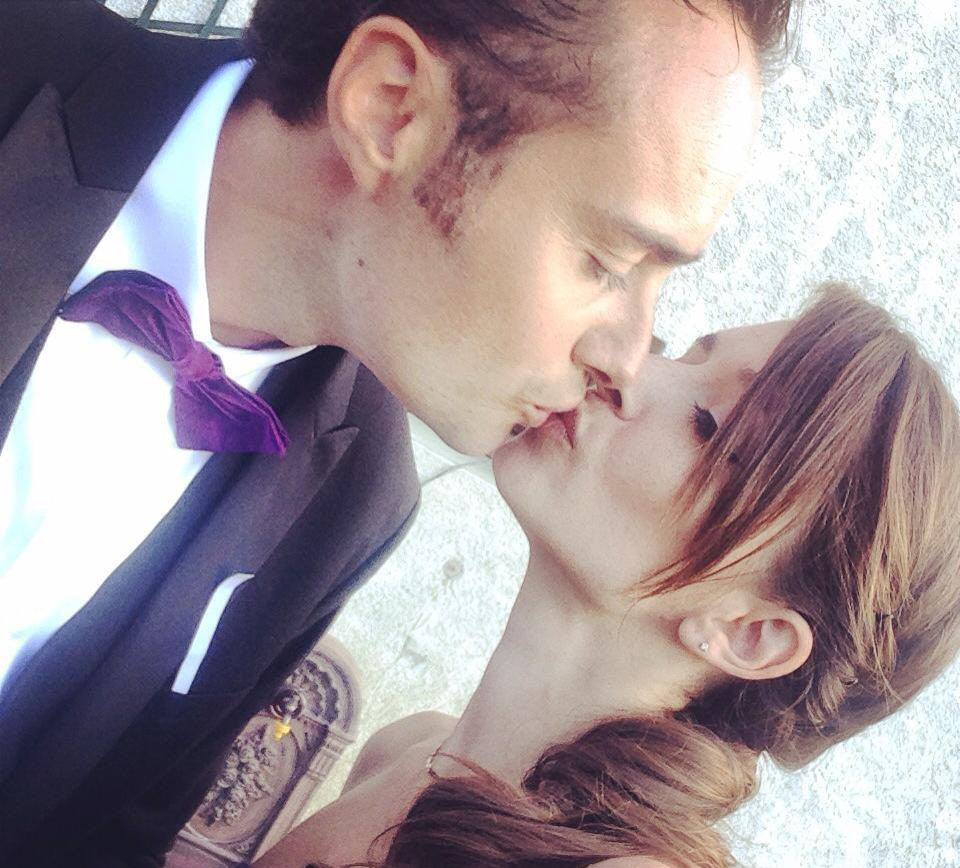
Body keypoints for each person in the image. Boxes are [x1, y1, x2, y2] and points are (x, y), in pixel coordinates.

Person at [0, 0, 790, 863]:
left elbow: (102, 834)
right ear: (390, 107)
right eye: (606, 262)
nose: (628, 359)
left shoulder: (352, 498)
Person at [251, 285, 960, 868]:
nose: (627, 370)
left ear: (749, 634)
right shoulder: (401, 754)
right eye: (681, 353)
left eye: (710, 424)